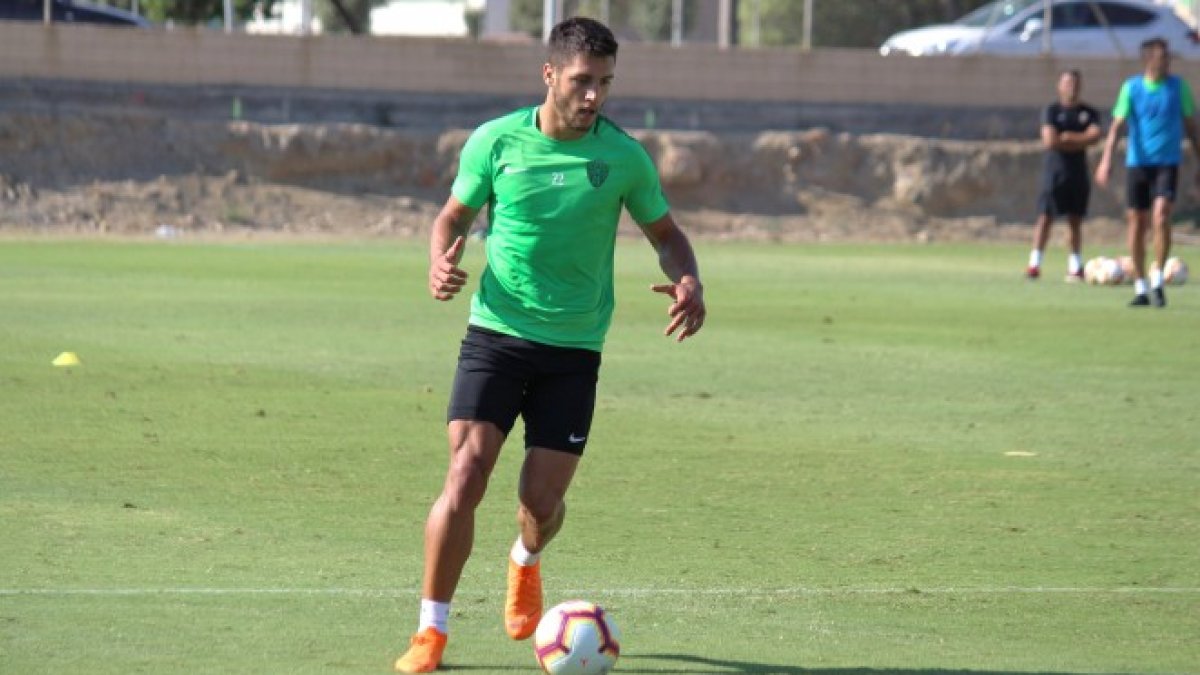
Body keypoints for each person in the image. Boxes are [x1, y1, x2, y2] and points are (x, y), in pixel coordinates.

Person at [393, 17, 706, 674]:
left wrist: (688, 277)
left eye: (605, 83)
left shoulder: (622, 157)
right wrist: (437, 259)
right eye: (582, 81)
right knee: (465, 472)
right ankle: (431, 630)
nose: (594, 96)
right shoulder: (496, 142)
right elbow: (453, 214)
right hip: (497, 335)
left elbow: (666, 233)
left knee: (540, 502)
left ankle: (526, 560)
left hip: (574, 349)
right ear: (549, 75)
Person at [1095, 37, 1200, 307]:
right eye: (1160, 57)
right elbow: (1117, 126)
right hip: (1138, 164)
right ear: (1148, 60)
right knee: (1137, 223)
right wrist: (1106, 159)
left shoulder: (1179, 88)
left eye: (1167, 57)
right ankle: (1141, 286)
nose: (1165, 62)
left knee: (1162, 215)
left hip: (1167, 162)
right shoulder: (1131, 88)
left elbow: (1191, 127)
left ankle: (1158, 281)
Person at [1025, 69, 1102, 281]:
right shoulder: (1051, 111)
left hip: (1078, 173)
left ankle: (1075, 265)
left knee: (1075, 220)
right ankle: (1034, 263)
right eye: (1068, 83)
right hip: (1055, 172)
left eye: (1075, 84)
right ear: (1060, 86)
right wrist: (1079, 139)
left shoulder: (1089, 112)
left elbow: (1094, 136)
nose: (1072, 88)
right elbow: (1050, 140)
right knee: (1045, 218)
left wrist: (1068, 137)